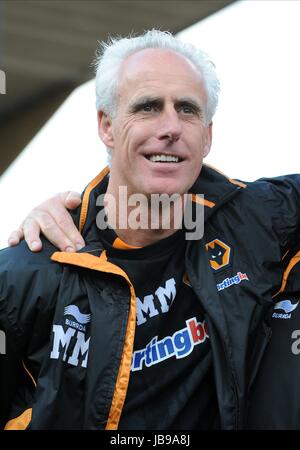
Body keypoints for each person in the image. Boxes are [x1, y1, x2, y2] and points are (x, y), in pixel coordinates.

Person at [1, 29, 300, 431]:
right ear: (106, 125)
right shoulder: (27, 275)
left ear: (208, 136)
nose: (171, 127)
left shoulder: (255, 219)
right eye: (148, 107)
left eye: (188, 110)